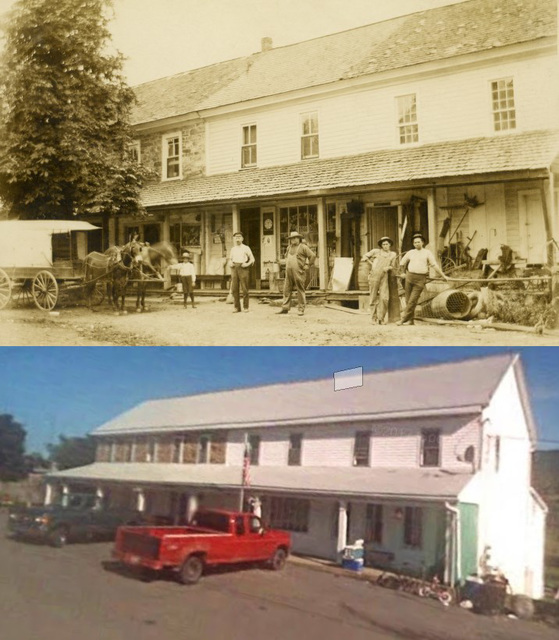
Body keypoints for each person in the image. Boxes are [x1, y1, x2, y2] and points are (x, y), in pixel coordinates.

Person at [397, 232, 448, 325]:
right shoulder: (410, 252)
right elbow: (401, 263)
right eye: (415, 242)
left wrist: (443, 275)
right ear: (413, 244)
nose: (417, 244)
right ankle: (411, 321)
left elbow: (434, 265)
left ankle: (403, 319)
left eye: (418, 242)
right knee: (408, 300)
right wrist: (402, 273)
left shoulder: (427, 253)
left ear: (423, 242)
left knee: (412, 300)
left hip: (420, 279)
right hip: (409, 277)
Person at [277, 231, 316, 316]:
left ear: (299, 238)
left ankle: (301, 309)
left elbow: (312, 256)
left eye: (295, 238)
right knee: (286, 289)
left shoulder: (303, 247)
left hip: (299, 272)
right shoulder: (288, 248)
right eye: (291, 238)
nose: (293, 240)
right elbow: (287, 258)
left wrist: (308, 265)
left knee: (300, 290)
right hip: (288, 273)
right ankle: (285, 308)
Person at [361, 236, 397, 324]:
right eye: (383, 244)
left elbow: (393, 266)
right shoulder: (375, 251)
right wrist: (372, 263)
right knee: (373, 297)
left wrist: (388, 267)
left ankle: (381, 318)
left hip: (384, 276)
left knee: (384, 298)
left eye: (387, 244)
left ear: (390, 245)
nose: (385, 246)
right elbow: (364, 257)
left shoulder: (393, 254)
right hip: (374, 275)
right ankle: (373, 318)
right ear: (381, 245)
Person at [228, 231, 255, 313]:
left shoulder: (246, 248)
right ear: (234, 239)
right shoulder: (233, 249)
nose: (237, 239)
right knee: (234, 288)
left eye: (239, 237)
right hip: (234, 268)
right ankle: (237, 307)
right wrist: (230, 263)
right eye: (236, 237)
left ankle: (246, 307)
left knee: (245, 288)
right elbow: (230, 259)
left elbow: (252, 259)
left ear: (242, 238)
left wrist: (246, 264)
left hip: (243, 268)